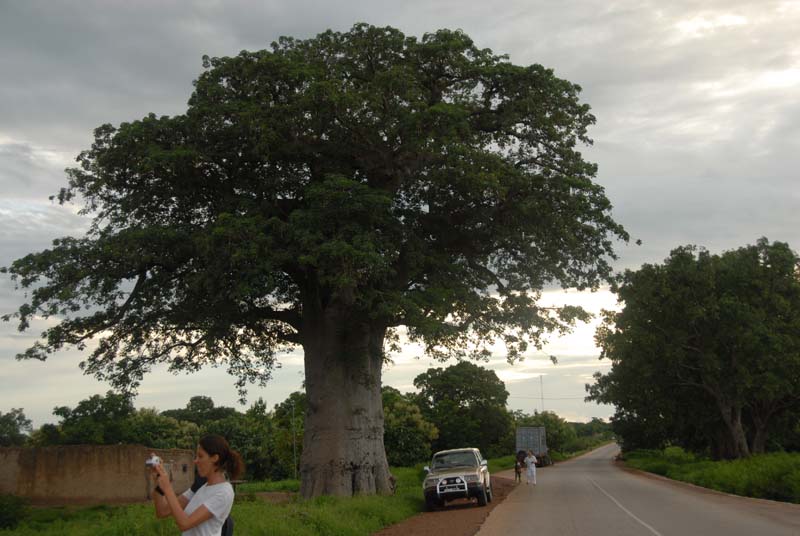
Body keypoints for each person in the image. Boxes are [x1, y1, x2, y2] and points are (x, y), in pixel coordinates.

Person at [151, 434, 244, 536]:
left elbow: (184, 524)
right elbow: (162, 511)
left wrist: (167, 487)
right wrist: (159, 483)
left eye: (200, 456)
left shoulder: (224, 492)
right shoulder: (201, 486)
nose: (195, 461)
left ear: (215, 458)